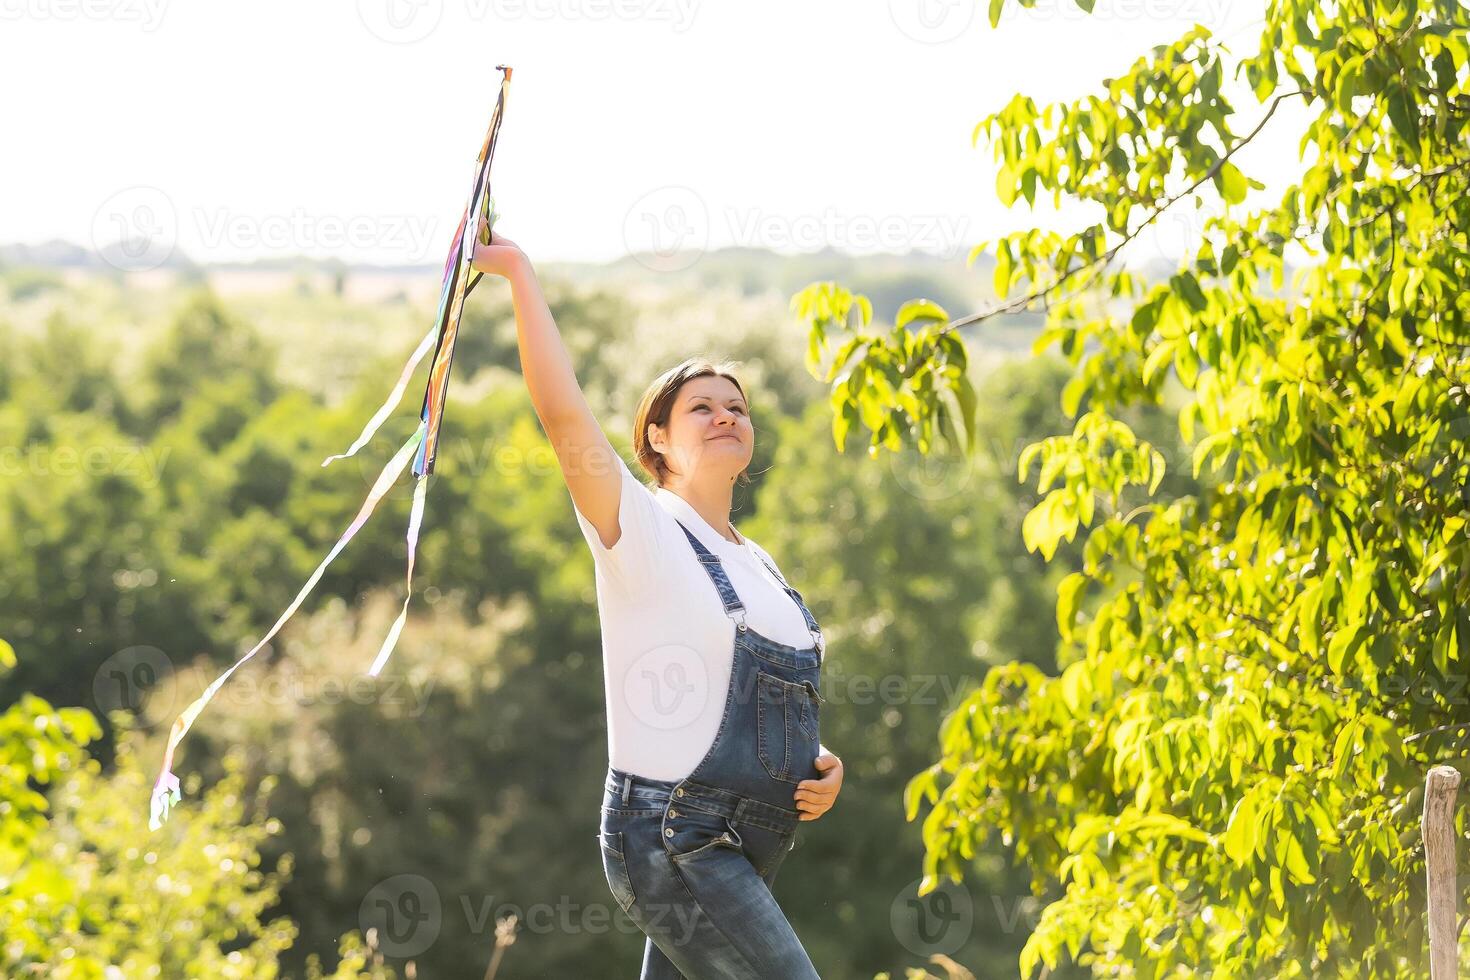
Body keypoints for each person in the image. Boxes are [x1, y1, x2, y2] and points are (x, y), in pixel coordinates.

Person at [471, 220, 843, 978]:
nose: (725, 415)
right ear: (658, 443)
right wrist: (519, 275)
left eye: (736, 406)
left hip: (748, 845)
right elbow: (564, 415)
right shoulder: (640, 528)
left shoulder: (761, 566)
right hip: (674, 838)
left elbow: (759, 707)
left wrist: (820, 764)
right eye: (701, 408)